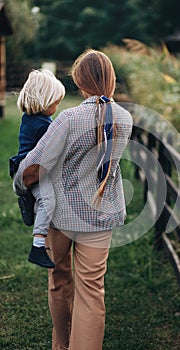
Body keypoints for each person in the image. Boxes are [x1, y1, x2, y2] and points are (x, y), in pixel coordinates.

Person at [16, 49, 133, 350]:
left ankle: (61, 345)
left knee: (59, 279)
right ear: (111, 79)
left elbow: (35, 167)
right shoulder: (125, 118)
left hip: (61, 218)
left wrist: (21, 186)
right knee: (92, 289)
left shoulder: (67, 119)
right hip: (100, 217)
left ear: (80, 83)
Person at [10, 69, 65, 268]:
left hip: (27, 168)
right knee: (48, 198)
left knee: (46, 197)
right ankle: (38, 246)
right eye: (55, 103)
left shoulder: (33, 119)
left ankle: (30, 202)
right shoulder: (41, 125)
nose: (57, 107)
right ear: (44, 100)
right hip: (30, 172)